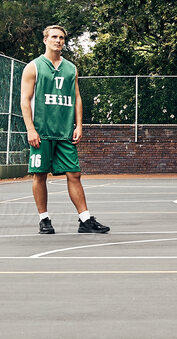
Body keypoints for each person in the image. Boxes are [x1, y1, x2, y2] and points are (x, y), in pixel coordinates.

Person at [20, 24, 110, 236]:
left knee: (75, 174)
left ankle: (85, 219)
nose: (58, 40)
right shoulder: (33, 67)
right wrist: (30, 129)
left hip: (64, 132)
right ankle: (44, 219)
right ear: (45, 40)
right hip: (41, 132)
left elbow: (77, 97)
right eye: (54, 37)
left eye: (61, 37)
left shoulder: (71, 68)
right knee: (39, 175)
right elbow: (24, 100)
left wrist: (79, 125)